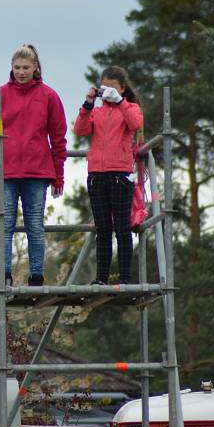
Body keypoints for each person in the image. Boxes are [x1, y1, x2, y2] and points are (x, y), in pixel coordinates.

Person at [0, 44, 67, 287]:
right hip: (5, 171)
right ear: (11, 68)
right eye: (17, 67)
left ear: (36, 68)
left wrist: (59, 175)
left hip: (37, 171)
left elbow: (58, 138)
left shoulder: (49, 96)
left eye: (26, 67)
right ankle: (4, 276)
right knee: (5, 225)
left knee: (34, 224)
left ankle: (36, 276)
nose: (21, 72)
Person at [73, 66, 143, 285]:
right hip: (97, 175)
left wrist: (120, 102)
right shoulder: (96, 112)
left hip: (120, 175)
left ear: (122, 88)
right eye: (105, 88)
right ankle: (101, 278)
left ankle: (124, 278)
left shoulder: (130, 108)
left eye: (113, 88)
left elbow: (136, 123)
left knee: (122, 228)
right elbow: (80, 129)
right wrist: (87, 103)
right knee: (103, 230)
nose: (109, 92)